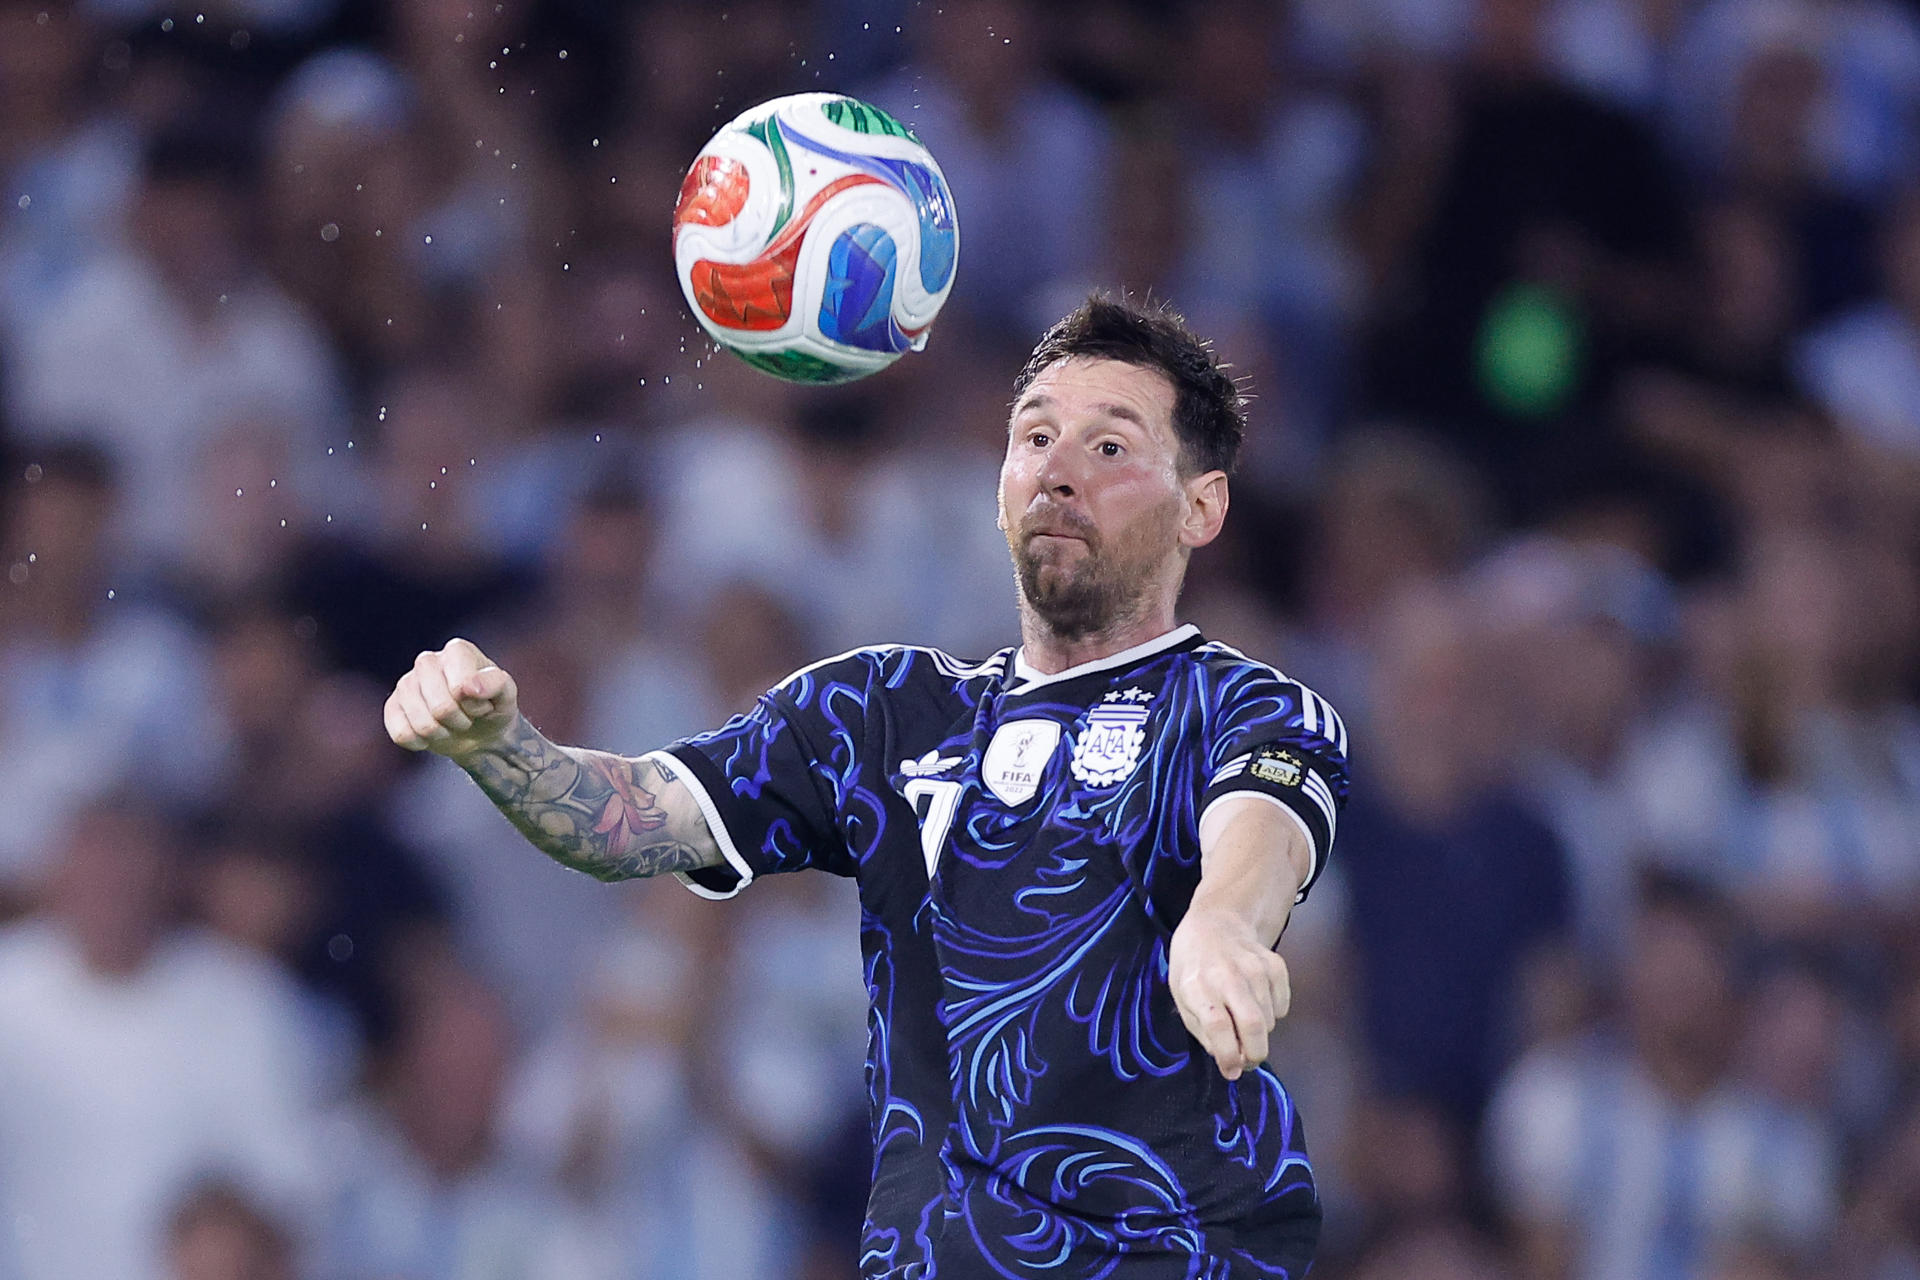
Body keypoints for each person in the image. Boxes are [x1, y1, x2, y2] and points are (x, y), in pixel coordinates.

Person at [385, 296, 1353, 1278]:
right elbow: (627, 821)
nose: (1060, 469)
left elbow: (1258, 828)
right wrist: (503, 746)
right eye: (1035, 436)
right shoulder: (881, 711)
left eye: (1110, 447)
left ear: (1202, 505)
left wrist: (1224, 924)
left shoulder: (1240, 705)